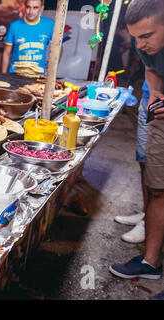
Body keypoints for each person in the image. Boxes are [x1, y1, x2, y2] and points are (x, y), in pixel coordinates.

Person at [109, 0, 164, 300]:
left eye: (147, 36)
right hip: (159, 111)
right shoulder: (146, 44)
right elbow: (150, 68)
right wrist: (154, 95)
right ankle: (150, 262)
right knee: (156, 185)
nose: (140, 44)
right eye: (135, 37)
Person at [114, 80, 149, 244]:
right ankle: (146, 212)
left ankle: (149, 222)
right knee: (144, 160)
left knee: (157, 168)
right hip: (149, 97)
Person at [1, 0, 54, 74]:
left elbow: (58, 47)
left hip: (39, 75)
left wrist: (52, 67)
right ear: (24, 7)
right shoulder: (14, 26)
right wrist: (3, 75)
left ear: (42, 8)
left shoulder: (50, 24)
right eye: (28, 7)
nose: (31, 11)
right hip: (16, 74)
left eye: (35, 7)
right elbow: (6, 53)